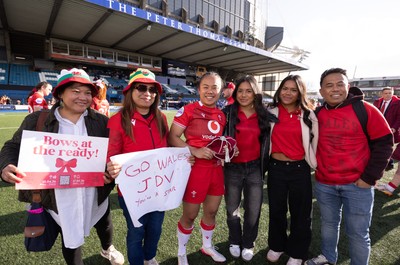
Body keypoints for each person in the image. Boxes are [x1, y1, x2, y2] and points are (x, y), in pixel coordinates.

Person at [0, 68, 124, 265]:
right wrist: (6, 165)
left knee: (104, 220)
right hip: (57, 196)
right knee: (71, 236)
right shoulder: (37, 120)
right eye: (76, 91)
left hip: (94, 190)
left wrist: (112, 169)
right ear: (60, 94)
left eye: (87, 93)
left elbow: (114, 152)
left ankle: (107, 247)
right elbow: (12, 146)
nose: (83, 97)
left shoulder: (100, 122)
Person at [305, 68, 393, 265]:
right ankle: (328, 257)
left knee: (358, 233)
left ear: (348, 87)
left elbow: (385, 143)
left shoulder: (366, 109)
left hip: (357, 185)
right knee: (328, 226)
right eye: (329, 85)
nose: (335, 89)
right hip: (324, 184)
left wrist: (368, 178)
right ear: (321, 91)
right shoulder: (316, 114)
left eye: (339, 84)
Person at [105, 68, 168, 265]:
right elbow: (111, 154)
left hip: (159, 186)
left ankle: (149, 257)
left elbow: (168, 148)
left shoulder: (161, 117)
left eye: (152, 89)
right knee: (136, 230)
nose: (147, 93)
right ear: (130, 91)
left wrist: (184, 157)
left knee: (156, 227)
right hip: (132, 191)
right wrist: (111, 167)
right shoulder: (117, 120)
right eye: (141, 88)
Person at [168, 72, 227, 265]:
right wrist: (194, 150)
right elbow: (173, 137)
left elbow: (219, 142)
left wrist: (226, 151)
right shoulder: (188, 110)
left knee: (211, 212)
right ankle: (181, 251)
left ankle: (207, 246)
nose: (210, 91)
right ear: (199, 89)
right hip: (195, 171)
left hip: (216, 171)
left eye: (214, 88)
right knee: (190, 215)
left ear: (220, 91)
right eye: (206, 87)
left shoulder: (221, 115)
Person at [266, 75, 318, 265]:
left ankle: (297, 252)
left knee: (301, 213)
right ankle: (277, 245)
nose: (288, 93)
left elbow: (316, 142)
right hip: (275, 168)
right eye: (285, 88)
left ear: (300, 93)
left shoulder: (308, 114)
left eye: (293, 89)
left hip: (299, 169)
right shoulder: (270, 111)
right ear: (279, 90)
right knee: (277, 210)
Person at [221, 75, 273, 262]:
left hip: (255, 169)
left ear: (255, 93)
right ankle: (234, 240)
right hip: (232, 168)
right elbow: (218, 139)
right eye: (240, 91)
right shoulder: (227, 112)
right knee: (232, 209)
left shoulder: (265, 115)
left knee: (253, 210)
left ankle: (248, 242)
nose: (243, 95)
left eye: (248, 91)